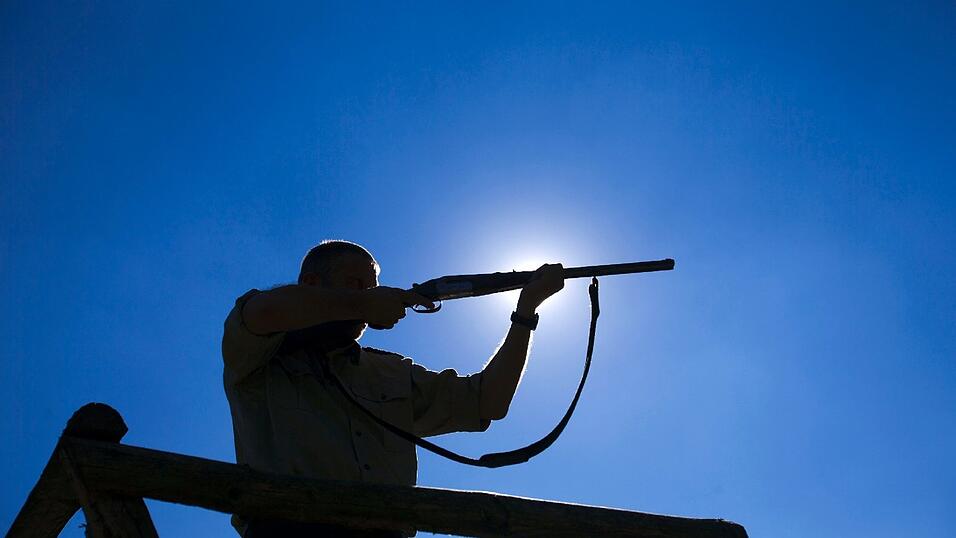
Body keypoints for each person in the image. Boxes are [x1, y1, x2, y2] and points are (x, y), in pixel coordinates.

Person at [222, 240, 564, 537]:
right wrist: (361, 305)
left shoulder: (389, 372)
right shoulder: (261, 352)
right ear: (312, 283)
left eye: (372, 288)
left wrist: (526, 311)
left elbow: (487, 401)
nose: (369, 295)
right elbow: (263, 311)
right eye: (355, 284)